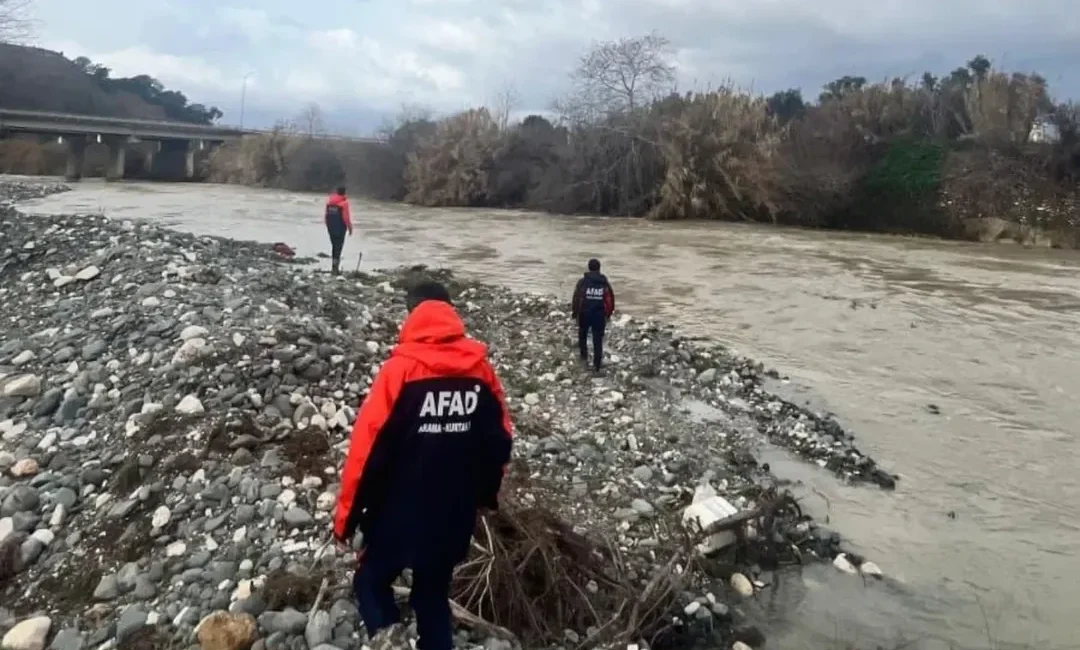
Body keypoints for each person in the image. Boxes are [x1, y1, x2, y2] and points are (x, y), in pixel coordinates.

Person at [333, 280, 514, 650]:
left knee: (370, 582)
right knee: (431, 597)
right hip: (453, 515)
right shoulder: (481, 372)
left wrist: (345, 521)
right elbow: (499, 443)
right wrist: (484, 498)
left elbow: (366, 453)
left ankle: (391, 642)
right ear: (451, 314)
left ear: (411, 316)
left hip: (397, 515)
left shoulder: (399, 372)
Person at [571, 258, 615, 372]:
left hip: (584, 314)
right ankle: (597, 365)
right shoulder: (604, 282)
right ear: (599, 268)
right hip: (599, 315)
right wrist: (608, 314)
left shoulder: (582, 282)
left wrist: (575, 313)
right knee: (597, 340)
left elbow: (576, 298)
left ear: (589, 268)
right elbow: (610, 300)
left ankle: (584, 358)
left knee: (582, 336)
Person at [325, 186, 353, 274]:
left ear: (337, 192)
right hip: (340, 227)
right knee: (338, 246)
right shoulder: (344, 203)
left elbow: (326, 216)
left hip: (331, 227)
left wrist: (328, 226)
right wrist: (350, 228)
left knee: (334, 246)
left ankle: (334, 266)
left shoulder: (329, 202)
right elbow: (346, 217)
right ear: (344, 193)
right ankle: (335, 268)